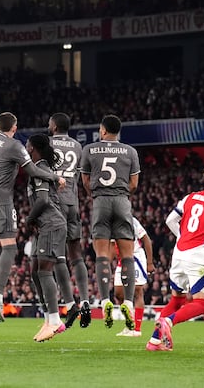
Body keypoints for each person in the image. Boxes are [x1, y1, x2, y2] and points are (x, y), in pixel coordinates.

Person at [0, 112, 65, 322]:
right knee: (9, 248)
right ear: (14, 129)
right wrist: (55, 177)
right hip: (1, 202)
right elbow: (33, 170)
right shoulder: (14, 146)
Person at [146, 164, 204, 351]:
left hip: (178, 254)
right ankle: (169, 323)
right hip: (197, 256)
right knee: (202, 304)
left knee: (177, 300)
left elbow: (170, 220)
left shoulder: (190, 197)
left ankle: (154, 342)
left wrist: (181, 236)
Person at [80, 114, 140, 330]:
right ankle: (129, 303)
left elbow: (85, 181)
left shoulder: (89, 149)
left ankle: (105, 301)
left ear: (102, 130)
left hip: (101, 201)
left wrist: (95, 195)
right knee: (127, 256)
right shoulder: (130, 151)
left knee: (102, 255)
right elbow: (134, 183)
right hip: (122, 201)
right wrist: (122, 194)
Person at [48, 112, 92, 328]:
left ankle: (70, 304)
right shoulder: (77, 146)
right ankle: (85, 300)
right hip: (73, 203)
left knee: (58, 257)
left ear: (54, 126)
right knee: (77, 255)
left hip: (54, 204)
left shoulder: (47, 143)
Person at [25, 133, 70, 342]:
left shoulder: (40, 170)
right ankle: (47, 318)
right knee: (35, 272)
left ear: (33, 148)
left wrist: (29, 219)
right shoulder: (39, 169)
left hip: (51, 224)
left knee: (44, 271)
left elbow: (42, 200)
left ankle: (55, 319)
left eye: (27, 145)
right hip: (45, 226)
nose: (25, 148)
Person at [112, 216, 154, 337]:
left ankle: (137, 329)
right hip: (121, 260)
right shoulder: (108, 222)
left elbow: (146, 240)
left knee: (137, 291)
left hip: (135, 257)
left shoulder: (131, 220)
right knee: (118, 294)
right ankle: (129, 325)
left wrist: (150, 263)